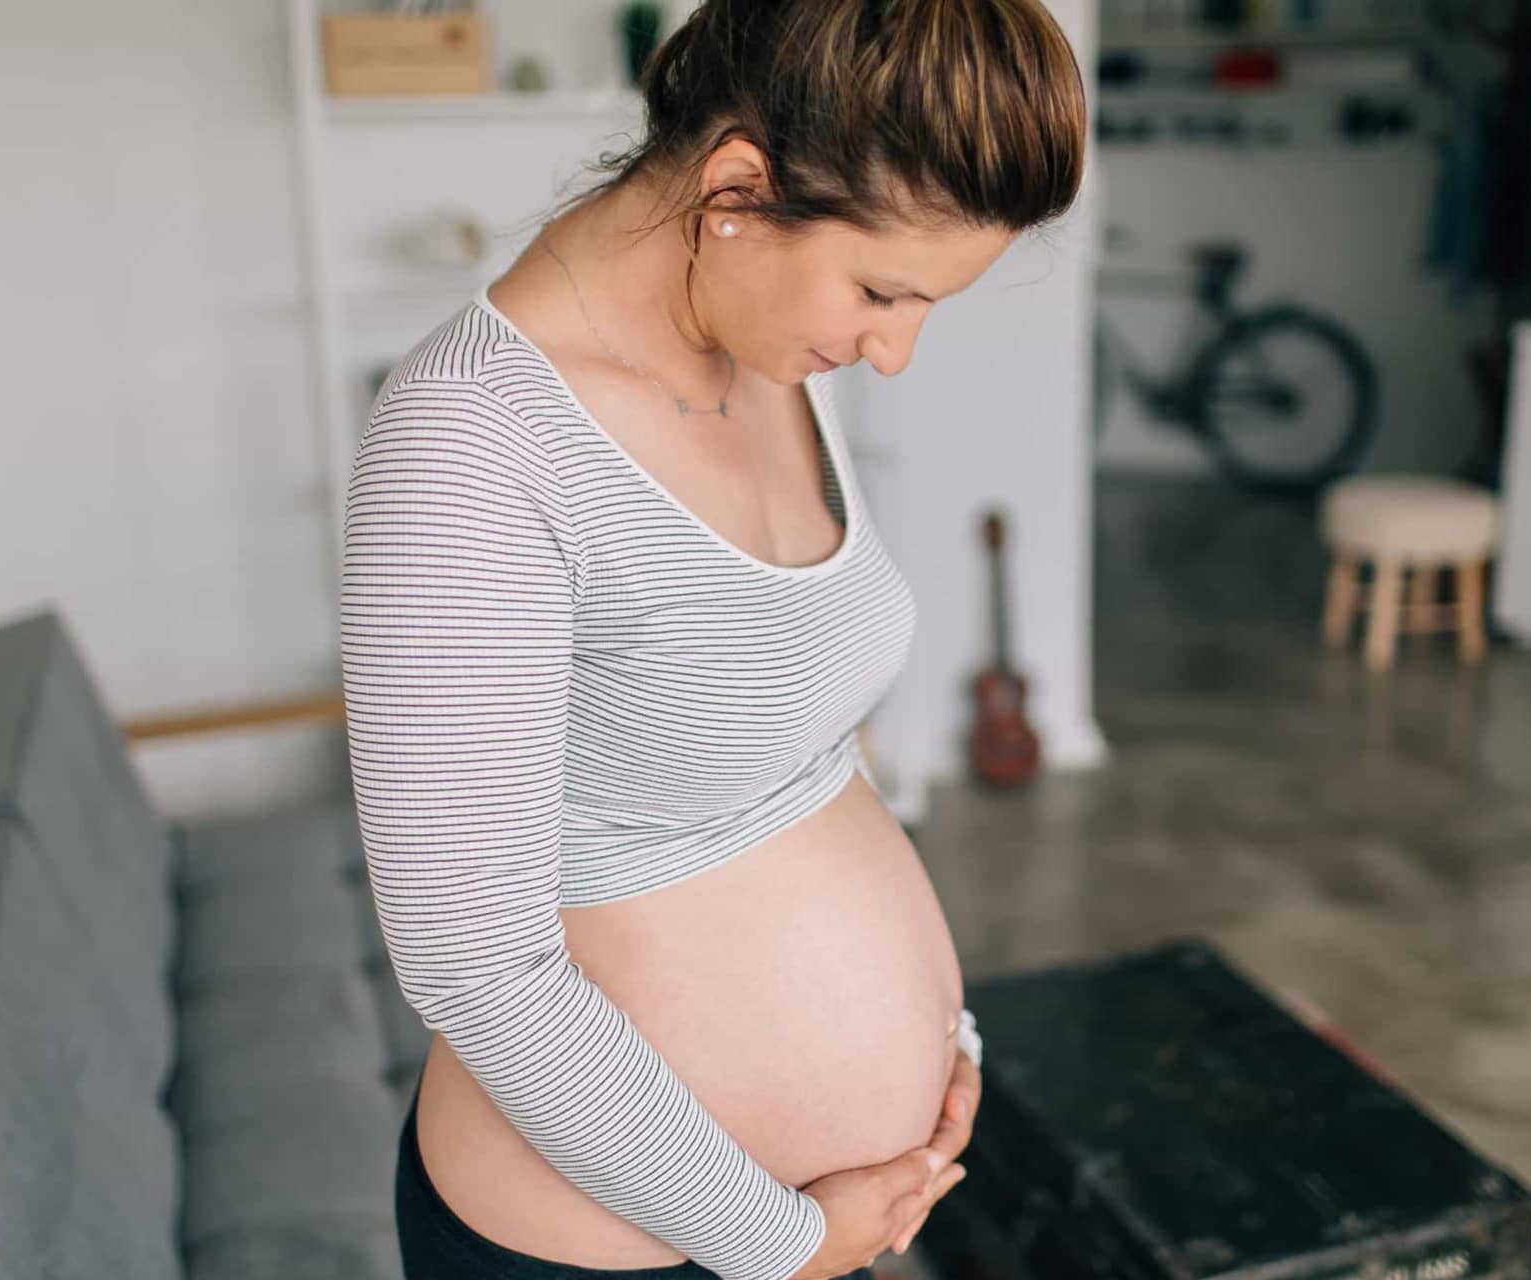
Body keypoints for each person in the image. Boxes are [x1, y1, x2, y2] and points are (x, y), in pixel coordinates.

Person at [338, 2, 1087, 1278]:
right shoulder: (469, 446)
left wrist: (933, 1030)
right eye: (879, 290)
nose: (890, 352)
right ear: (737, 184)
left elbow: (796, 737)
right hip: (607, 1247)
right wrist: (777, 1238)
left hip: (808, 1226)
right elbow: (474, 964)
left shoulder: (766, 346)